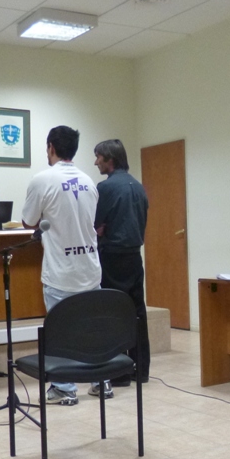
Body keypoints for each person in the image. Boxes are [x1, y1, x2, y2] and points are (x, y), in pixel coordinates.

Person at [22, 125, 101, 406]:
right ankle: (101, 381)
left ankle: (65, 388)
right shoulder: (89, 181)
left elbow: (28, 222)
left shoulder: (42, 180)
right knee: (93, 328)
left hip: (61, 271)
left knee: (60, 331)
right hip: (90, 268)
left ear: (51, 147)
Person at [93, 139, 150, 386]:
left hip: (112, 257)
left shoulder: (105, 188)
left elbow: (96, 225)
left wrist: (102, 229)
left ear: (110, 159)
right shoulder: (138, 186)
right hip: (134, 256)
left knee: (113, 313)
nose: (96, 162)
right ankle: (141, 369)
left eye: (98, 157)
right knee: (137, 312)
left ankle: (119, 373)